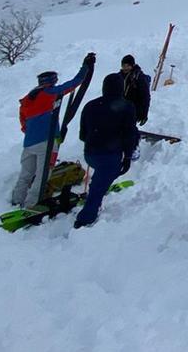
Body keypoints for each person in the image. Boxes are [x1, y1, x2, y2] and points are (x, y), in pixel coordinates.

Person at [12, 53, 95, 209]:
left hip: (29, 143)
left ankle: (16, 200)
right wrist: (86, 67)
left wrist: (32, 133)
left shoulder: (27, 99)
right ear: (51, 82)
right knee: (43, 175)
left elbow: (23, 123)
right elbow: (74, 83)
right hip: (47, 142)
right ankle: (32, 205)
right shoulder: (50, 93)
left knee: (26, 174)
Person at [74, 72, 140, 228]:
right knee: (101, 183)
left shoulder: (90, 105)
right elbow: (130, 135)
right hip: (110, 156)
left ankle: (100, 181)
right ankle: (85, 218)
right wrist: (128, 157)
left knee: (103, 173)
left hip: (90, 153)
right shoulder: (127, 107)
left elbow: (83, 135)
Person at [118, 55, 151, 126]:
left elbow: (145, 97)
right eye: (123, 65)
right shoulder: (118, 76)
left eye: (128, 65)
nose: (125, 68)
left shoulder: (138, 78)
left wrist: (144, 114)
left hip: (133, 109)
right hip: (119, 108)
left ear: (132, 65)